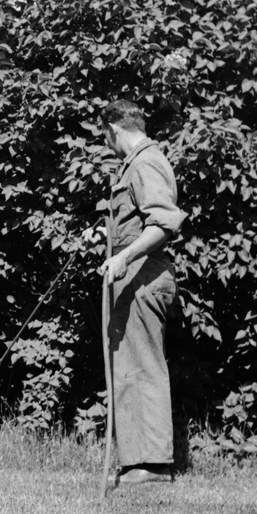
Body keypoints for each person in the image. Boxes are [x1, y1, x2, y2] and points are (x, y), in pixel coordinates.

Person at [98, 99, 184, 486]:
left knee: (144, 364)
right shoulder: (136, 164)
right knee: (130, 365)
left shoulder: (146, 161)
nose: (107, 142)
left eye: (105, 135)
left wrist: (124, 257)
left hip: (144, 277)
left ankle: (154, 464)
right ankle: (138, 462)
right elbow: (136, 222)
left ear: (114, 129)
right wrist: (106, 238)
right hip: (134, 274)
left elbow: (163, 223)